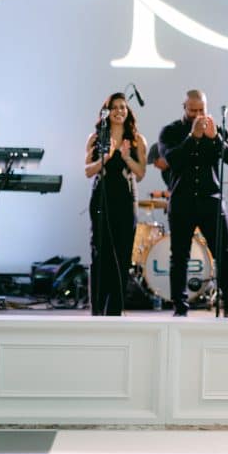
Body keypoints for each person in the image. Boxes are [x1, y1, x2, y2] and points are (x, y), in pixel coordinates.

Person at [158, 90, 228, 318]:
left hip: (211, 201)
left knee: (224, 254)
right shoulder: (171, 131)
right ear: (184, 107)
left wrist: (216, 139)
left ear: (206, 107)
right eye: (192, 110)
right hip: (182, 201)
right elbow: (170, 159)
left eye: (200, 110)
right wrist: (192, 137)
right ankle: (180, 309)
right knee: (179, 256)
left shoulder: (218, 128)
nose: (196, 114)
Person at [85, 92, 147, 316]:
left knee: (122, 254)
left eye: (123, 107)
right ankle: (97, 308)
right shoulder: (96, 137)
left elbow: (140, 174)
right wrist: (109, 155)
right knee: (100, 253)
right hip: (102, 196)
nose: (120, 111)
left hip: (125, 198)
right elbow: (87, 170)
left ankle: (115, 310)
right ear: (107, 112)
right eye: (115, 107)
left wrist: (127, 157)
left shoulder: (137, 140)